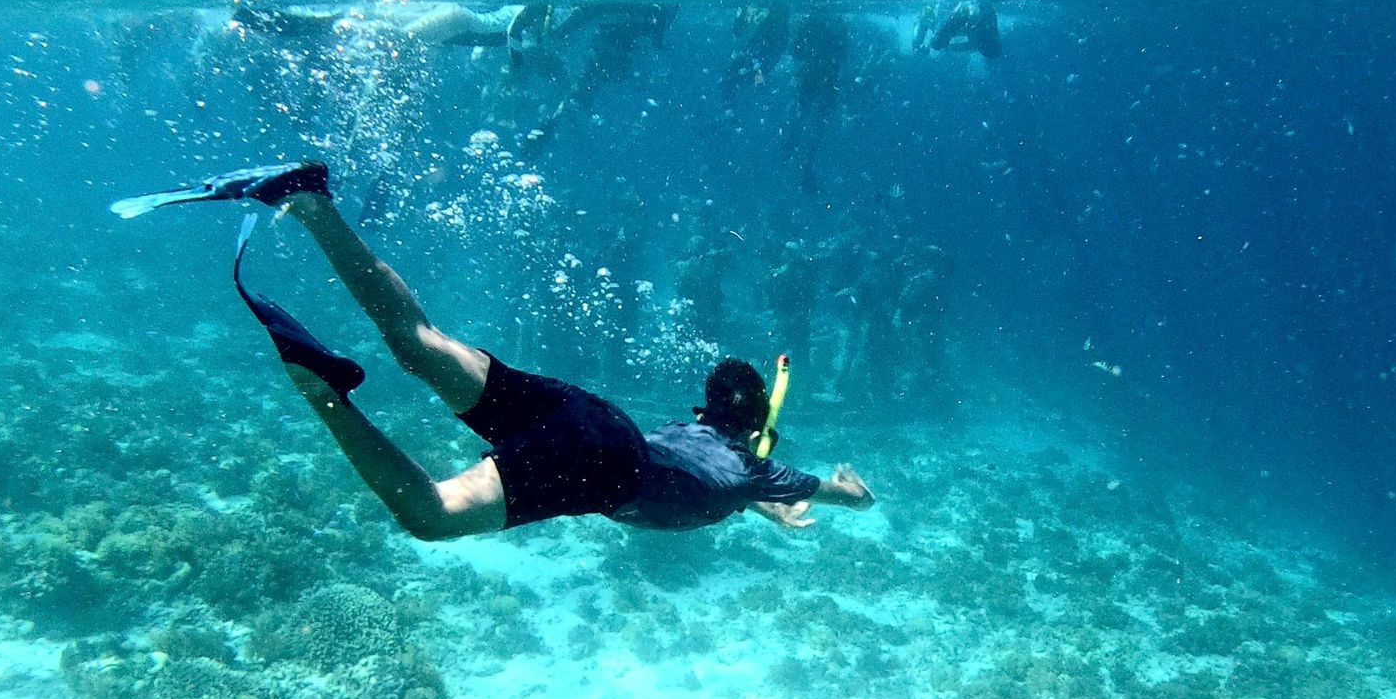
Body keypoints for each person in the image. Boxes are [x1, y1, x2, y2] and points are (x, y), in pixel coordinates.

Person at [123, 163, 874, 543]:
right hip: (605, 468)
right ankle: (324, 391)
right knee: (432, 515)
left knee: (418, 341)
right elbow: (833, 494)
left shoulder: (704, 443)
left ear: (704, 409)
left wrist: (766, 504)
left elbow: (722, 475)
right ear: (750, 431)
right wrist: (844, 491)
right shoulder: (756, 469)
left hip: (594, 415)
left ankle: (310, 200)